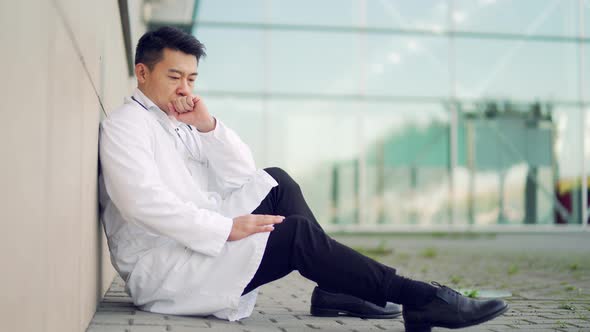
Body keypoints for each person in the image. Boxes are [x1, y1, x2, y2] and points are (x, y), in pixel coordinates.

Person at [98, 26, 508, 331]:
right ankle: (420, 297)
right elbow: (141, 203)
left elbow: (244, 173)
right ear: (142, 72)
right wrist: (227, 227)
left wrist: (207, 126)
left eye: (192, 79)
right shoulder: (126, 126)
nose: (185, 89)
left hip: (193, 241)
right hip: (166, 269)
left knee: (276, 182)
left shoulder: (180, 122)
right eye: (175, 77)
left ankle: (333, 288)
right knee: (295, 236)